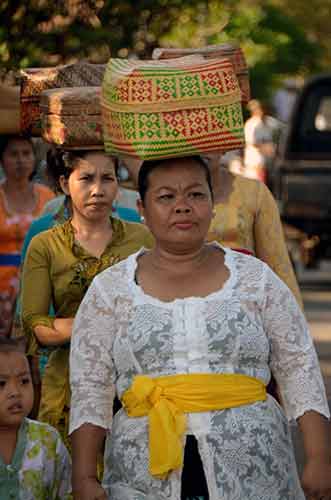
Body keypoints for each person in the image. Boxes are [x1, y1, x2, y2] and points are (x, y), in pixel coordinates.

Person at [69, 156, 330, 500]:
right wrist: (85, 476)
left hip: (253, 471)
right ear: (141, 209)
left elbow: (299, 367)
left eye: (195, 194)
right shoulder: (110, 290)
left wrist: (320, 457)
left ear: (212, 204)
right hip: (145, 474)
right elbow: (90, 387)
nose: (182, 207)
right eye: (166, 197)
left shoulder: (255, 279)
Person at [21, 148, 154, 448]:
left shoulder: (142, 238)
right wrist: (103, 321)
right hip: (69, 386)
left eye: (107, 178)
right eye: (86, 179)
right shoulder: (46, 245)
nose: (98, 189)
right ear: (65, 183)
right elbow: (36, 325)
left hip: (136, 383)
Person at [206, 153, 303, 308]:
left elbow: (278, 265)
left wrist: (294, 320)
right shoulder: (154, 188)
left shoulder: (254, 193)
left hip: (242, 311)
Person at [0, 336, 71, 499]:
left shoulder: (48, 440)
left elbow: (65, 492)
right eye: (1, 384)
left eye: (24, 381)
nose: (15, 392)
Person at [0, 135, 54, 337]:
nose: (21, 160)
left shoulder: (48, 196)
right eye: (14, 154)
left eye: (26, 153)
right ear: (2, 160)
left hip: (37, 282)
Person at [244, 99, 282, 184]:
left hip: (268, 164)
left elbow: (282, 128)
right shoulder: (251, 124)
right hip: (255, 163)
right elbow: (252, 143)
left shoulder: (269, 122)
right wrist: (266, 148)